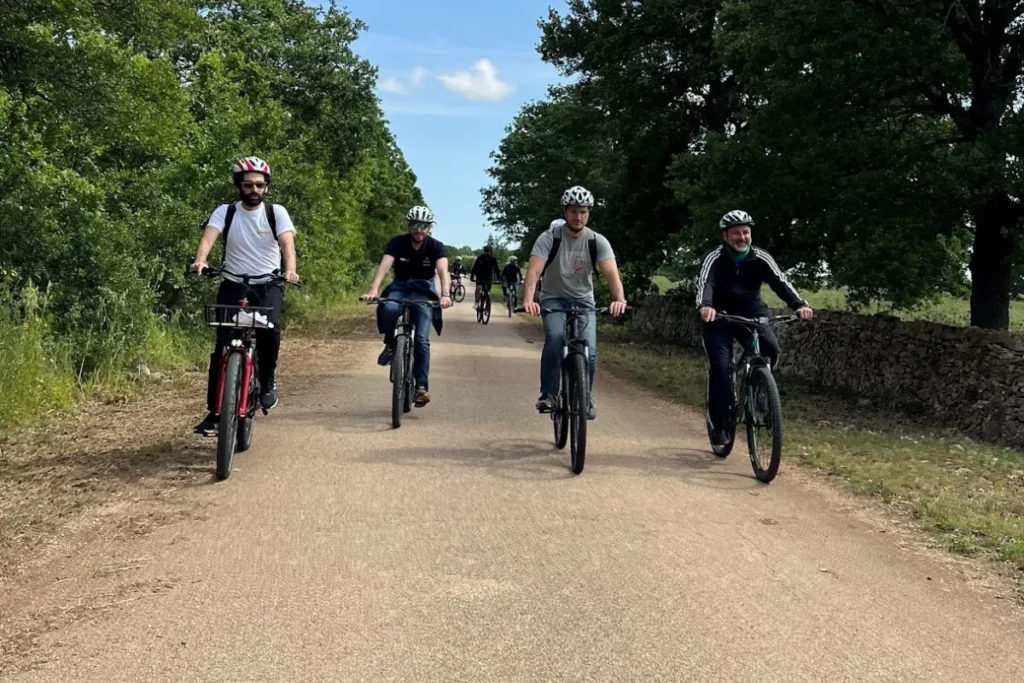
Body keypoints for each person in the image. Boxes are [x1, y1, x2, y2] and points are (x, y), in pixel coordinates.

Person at [191, 157, 300, 435]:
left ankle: (267, 380)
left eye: (260, 185)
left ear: (266, 187)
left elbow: (287, 246)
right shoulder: (225, 212)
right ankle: (215, 414)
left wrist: (290, 272)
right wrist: (201, 261)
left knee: (270, 332)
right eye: (248, 185)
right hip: (233, 284)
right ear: (238, 185)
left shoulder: (276, 213)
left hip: (267, 284)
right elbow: (208, 239)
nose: (254, 190)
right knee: (222, 347)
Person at [697, 210, 814, 446]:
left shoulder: (760, 257)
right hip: (718, 317)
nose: (742, 237)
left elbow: (779, 281)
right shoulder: (714, 258)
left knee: (771, 348)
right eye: (736, 233)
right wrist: (706, 306)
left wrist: (799, 304)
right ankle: (719, 425)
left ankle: (760, 389)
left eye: (746, 232)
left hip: (752, 313)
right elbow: (705, 283)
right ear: (725, 236)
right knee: (720, 368)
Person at [522, 186, 627, 420]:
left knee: (588, 352)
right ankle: (549, 394)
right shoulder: (549, 238)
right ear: (565, 212)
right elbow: (534, 273)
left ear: (588, 213)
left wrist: (618, 299)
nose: (578, 217)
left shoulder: (596, 241)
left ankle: (585, 397)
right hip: (553, 299)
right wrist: (529, 300)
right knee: (555, 338)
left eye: (583, 211)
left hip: (583, 301)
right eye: (573, 211)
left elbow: (612, 274)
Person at [361, 206, 453, 407]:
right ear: (408, 226)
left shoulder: (436, 247)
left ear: (429, 228)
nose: (418, 230)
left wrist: (445, 295)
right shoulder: (397, 242)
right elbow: (384, 267)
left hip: (424, 289)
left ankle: (421, 387)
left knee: (421, 339)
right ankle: (391, 343)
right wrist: (373, 289)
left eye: (423, 226)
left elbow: (443, 271)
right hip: (400, 285)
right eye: (414, 225)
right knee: (389, 308)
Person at [470, 245, 501, 310]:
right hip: (480, 276)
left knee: (487, 291)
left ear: (490, 252)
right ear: (484, 251)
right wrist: (472, 276)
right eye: (486, 251)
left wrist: (499, 278)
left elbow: (496, 269)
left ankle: (487, 303)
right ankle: (476, 301)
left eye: (488, 252)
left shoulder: (493, 259)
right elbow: (475, 267)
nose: (487, 253)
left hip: (488, 277)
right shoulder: (480, 258)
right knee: (478, 288)